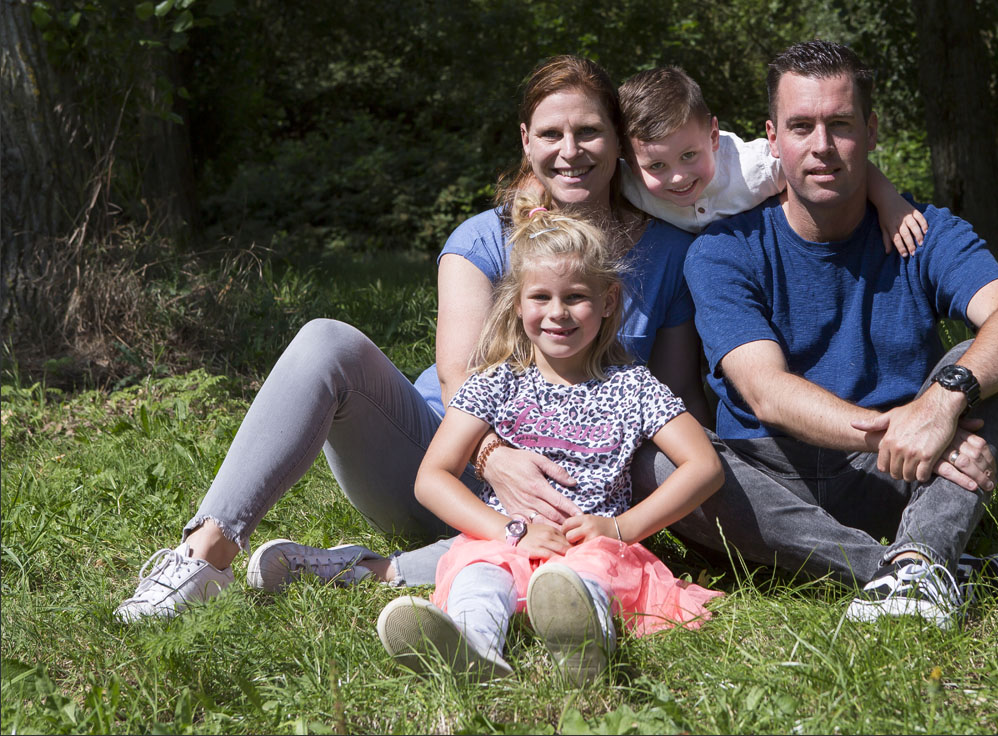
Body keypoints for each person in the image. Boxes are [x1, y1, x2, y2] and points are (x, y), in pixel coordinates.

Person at [115, 55, 708, 622]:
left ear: (619, 141)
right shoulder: (482, 239)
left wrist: (611, 523)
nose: (570, 151)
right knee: (327, 342)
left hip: (576, 499)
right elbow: (459, 378)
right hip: (445, 467)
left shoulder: (668, 252)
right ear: (527, 140)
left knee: (518, 555)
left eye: (590, 132)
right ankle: (203, 556)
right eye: (552, 133)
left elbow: (676, 398)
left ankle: (368, 571)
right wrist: (495, 460)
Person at [637, 40, 998, 628]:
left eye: (840, 124)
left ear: (872, 130)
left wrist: (942, 401)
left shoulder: (924, 231)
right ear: (772, 136)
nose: (821, 147)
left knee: (981, 358)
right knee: (654, 457)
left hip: (897, 481)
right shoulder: (721, 251)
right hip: (765, 481)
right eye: (801, 126)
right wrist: (908, 429)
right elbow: (764, 390)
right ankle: (919, 567)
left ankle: (918, 553)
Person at [374, 196, 723, 685]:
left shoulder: (634, 386)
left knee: (584, 580)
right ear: (517, 305)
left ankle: (583, 648)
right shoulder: (496, 383)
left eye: (576, 296)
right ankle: (474, 649)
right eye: (540, 298)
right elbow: (432, 479)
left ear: (608, 301)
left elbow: (704, 465)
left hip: (592, 545)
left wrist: (620, 529)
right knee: (477, 573)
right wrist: (508, 531)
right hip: (505, 540)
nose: (558, 313)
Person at [617, 65, 928, 257]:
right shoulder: (626, 182)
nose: (677, 177)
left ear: (713, 137)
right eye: (657, 166)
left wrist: (891, 204)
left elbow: (832, 165)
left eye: (688, 156)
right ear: (629, 161)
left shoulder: (754, 168)